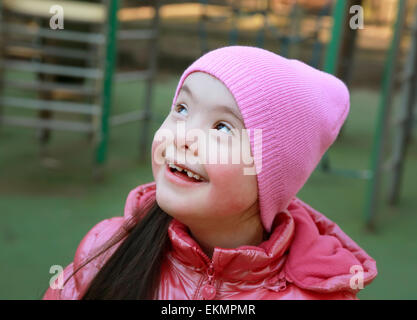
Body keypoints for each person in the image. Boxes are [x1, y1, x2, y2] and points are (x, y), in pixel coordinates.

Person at [43, 46, 377, 300]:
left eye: (222, 127)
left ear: (272, 175)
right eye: (182, 109)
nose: (184, 137)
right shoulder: (107, 248)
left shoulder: (316, 293)